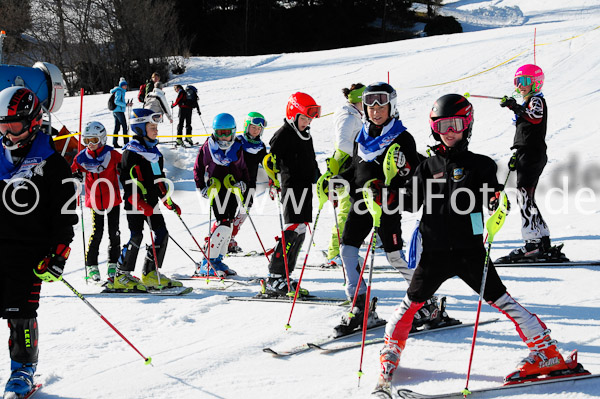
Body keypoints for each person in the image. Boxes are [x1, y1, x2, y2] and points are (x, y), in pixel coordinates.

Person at [373, 94, 578, 396]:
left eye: (455, 124)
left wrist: (497, 203)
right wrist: (387, 194)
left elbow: (491, 195)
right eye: (442, 125)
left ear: (467, 125)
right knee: (408, 306)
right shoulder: (427, 166)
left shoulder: (480, 165)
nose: (449, 130)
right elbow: (411, 202)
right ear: (434, 128)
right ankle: (390, 354)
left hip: (471, 252)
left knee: (502, 300)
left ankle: (546, 350)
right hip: (434, 254)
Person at [332, 82, 455, 338]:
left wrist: (403, 172)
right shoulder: (362, 136)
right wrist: (336, 179)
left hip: (387, 205)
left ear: (392, 107)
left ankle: (427, 305)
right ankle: (360, 307)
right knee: (347, 250)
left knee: (395, 257)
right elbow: (357, 170)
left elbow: (416, 174)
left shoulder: (401, 137)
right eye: (370, 106)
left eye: (382, 106)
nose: (376, 111)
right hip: (361, 202)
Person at [0, 87, 77, 398]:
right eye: (1, 125)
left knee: (20, 313)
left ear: (32, 122)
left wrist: (59, 253)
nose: (6, 132)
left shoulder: (53, 163)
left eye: (13, 125)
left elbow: (66, 214)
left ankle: (22, 369)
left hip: (29, 253)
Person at [496, 64, 563, 263]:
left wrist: (514, 106)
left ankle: (533, 243)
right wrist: (517, 153)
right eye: (518, 82)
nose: (520, 86)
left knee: (524, 196)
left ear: (536, 82)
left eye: (524, 81)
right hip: (528, 153)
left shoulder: (536, 100)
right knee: (527, 197)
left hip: (533, 154)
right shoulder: (529, 102)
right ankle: (541, 238)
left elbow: (535, 118)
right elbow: (526, 133)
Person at [114, 108, 182, 291]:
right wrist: (138, 202)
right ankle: (121, 274)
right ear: (140, 129)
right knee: (136, 235)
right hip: (135, 203)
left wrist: (167, 199)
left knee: (161, 233)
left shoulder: (154, 152)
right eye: (151, 126)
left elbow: (159, 180)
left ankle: (150, 273)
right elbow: (127, 181)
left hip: (152, 203)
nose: (156, 129)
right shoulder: (131, 152)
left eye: (156, 126)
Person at [262, 92, 321, 296]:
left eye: (309, 119)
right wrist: (272, 178)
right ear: (293, 115)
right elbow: (270, 159)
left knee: (302, 229)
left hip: (305, 187)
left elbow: (311, 161)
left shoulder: (306, 134)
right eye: (303, 118)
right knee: (292, 228)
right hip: (290, 186)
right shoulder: (284, 134)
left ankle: (286, 275)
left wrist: (319, 179)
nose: (306, 122)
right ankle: (275, 276)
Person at [193, 113, 249, 276]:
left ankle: (217, 259)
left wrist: (244, 182)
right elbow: (198, 168)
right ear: (214, 132)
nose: (223, 137)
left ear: (233, 131)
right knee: (223, 223)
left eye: (227, 133)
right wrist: (201, 186)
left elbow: (243, 168)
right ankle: (207, 261)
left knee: (229, 225)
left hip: (231, 189)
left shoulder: (237, 146)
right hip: (216, 189)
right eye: (219, 133)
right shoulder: (208, 147)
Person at [71, 121, 122, 283]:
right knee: (97, 232)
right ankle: (91, 264)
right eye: (86, 141)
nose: (90, 144)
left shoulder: (111, 154)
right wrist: (76, 174)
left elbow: (126, 164)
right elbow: (72, 169)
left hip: (112, 199)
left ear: (102, 139)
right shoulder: (82, 157)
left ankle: (114, 262)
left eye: (93, 140)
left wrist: (125, 170)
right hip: (95, 201)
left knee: (114, 232)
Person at [324, 83, 365, 267]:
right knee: (345, 210)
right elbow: (341, 143)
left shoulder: (355, 115)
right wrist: (362, 154)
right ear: (359, 100)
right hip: (344, 166)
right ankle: (334, 252)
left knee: (354, 208)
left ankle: (346, 248)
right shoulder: (348, 116)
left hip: (352, 164)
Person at [227, 112, 268, 254]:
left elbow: (266, 164)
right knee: (228, 211)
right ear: (246, 126)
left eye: (259, 129)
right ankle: (218, 236)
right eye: (253, 127)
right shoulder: (237, 142)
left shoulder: (261, 146)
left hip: (250, 183)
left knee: (245, 210)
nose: (256, 131)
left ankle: (230, 237)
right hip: (235, 182)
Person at [110, 77, 130, 148]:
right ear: (121, 85)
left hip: (117, 111)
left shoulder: (121, 91)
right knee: (124, 126)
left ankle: (115, 143)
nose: (126, 86)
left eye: (126, 85)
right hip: (119, 111)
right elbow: (117, 101)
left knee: (117, 127)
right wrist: (125, 104)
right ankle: (126, 143)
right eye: (124, 85)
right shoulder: (119, 91)